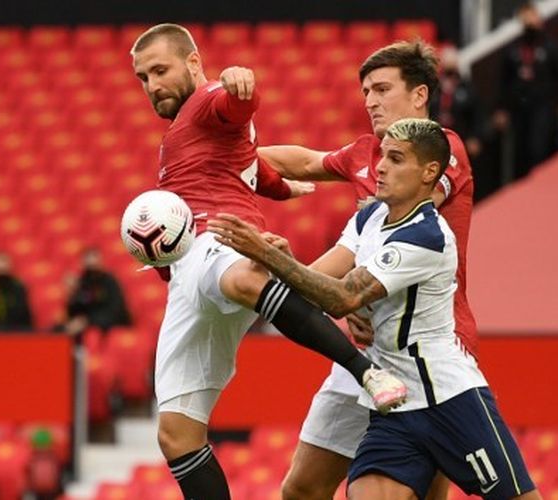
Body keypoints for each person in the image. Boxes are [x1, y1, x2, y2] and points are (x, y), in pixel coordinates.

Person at [130, 23, 406, 499]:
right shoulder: (180, 135)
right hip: (186, 278)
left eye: (160, 70)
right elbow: (245, 165)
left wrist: (240, 86)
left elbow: (232, 106)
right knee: (175, 433)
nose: (152, 85)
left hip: (219, 238)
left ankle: (367, 372)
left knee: (240, 278)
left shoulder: (207, 99)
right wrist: (281, 187)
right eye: (143, 77)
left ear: (193, 64)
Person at [210, 117, 539, 500]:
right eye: (382, 155)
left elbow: (343, 297)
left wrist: (269, 255)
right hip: (392, 405)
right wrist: (277, 265)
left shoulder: (427, 237)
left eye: (396, 159)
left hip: (448, 400)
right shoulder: (371, 216)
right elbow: (323, 284)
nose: (380, 166)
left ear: (429, 172)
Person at [256, 41, 477, 499]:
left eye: (381, 88)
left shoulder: (443, 149)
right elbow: (304, 161)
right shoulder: (365, 153)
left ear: (419, 95)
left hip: (430, 352)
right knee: (300, 489)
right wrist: (231, 154)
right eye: (365, 92)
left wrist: (354, 293)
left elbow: (410, 221)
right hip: (367, 354)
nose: (370, 101)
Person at [494, 1, 558, 180]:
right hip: (519, 106)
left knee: (538, 146)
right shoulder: (513, 49)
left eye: (533, 16)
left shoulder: (550, 47)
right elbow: (504, 82)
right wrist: (501, 109)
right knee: (520, 149)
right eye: (526, 17)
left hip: (543, 105)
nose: (530, 21)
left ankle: (539, 183)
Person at [64, 247, 132, 334]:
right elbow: (76, 311)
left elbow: (115, 311)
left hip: (111, 326)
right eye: (89, 268)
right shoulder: (83, 283)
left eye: (94, 265)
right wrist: (72, 293)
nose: (92, 271)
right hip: (87, 327)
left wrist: (87, 321)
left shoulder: (109, 281)